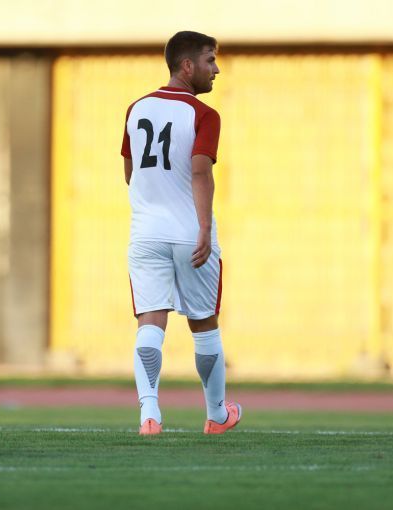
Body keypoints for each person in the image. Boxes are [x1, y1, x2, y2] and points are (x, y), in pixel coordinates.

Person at [120, 31, 241, 435]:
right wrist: (204, 227)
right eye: (210, 60)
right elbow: (200, 172)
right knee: (203, 324)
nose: (216, 69)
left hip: (146, 233)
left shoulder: (136, 109)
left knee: (150, 322)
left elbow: (130, 172)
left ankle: (149, 415)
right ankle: (217, 415)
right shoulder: (204, 114)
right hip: (190, 234)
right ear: (187, 66)